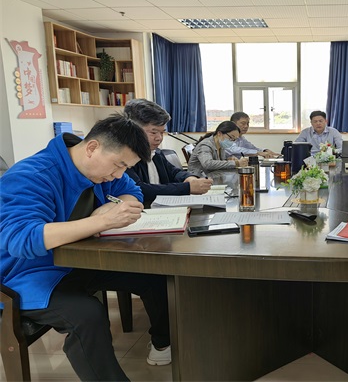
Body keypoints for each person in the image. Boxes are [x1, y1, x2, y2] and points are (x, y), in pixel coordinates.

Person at [0, 115, 171, 381]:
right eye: (119, 165)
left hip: (77, 263)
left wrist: (116, 205)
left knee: (153, 273)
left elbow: (132, 191)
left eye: (126, 168)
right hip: (25, 275)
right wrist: (101, 221)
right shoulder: (31, 176)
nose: (118, 174)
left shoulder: (101, 170)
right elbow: (22, 239)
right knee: (88, 316)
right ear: (92, 147)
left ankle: (163, 343)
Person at [124, 98, 213, 207]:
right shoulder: (125, 158)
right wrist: (187, 187)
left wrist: (190, 178)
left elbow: (174, 172)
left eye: (162, 132)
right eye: (153, 132)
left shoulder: (156, 153)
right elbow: (141, 189)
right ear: (134, 130)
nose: (159, 138)